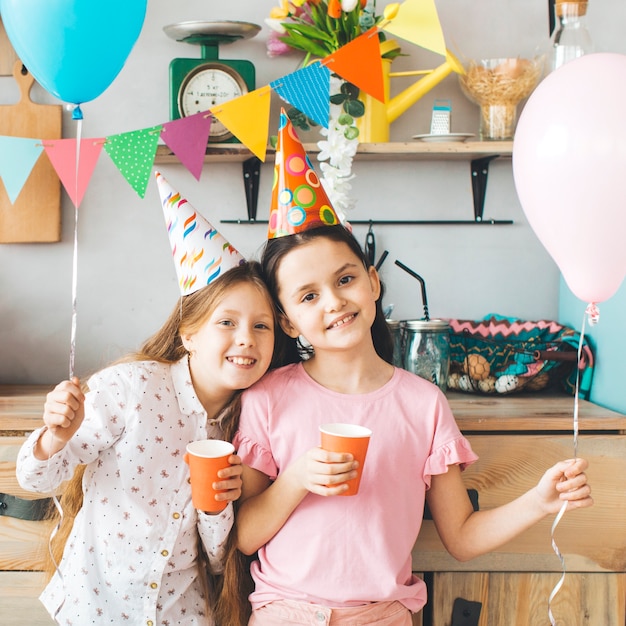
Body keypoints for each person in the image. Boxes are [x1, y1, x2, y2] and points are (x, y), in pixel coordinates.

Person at [231, 112, 594, 625]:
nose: (334, 302)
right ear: (288, 322)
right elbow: (245, 534)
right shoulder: (267, 397)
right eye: (309, 295)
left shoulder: (422, 404)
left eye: (345, 279)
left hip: (384, 615)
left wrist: (538, 501)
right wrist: (296, 477)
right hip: (285, 613)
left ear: (373, 283)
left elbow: (462, 538)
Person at [16, 172, 280, 625]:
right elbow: (35, 480)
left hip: (180, 613)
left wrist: (217, 506)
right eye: (227, 323)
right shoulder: (131, 388)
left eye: (262, 326)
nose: (246, 340)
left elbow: (217, 561)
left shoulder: (250, 423)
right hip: (93, 608)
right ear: (189, 334)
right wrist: (55, 436)